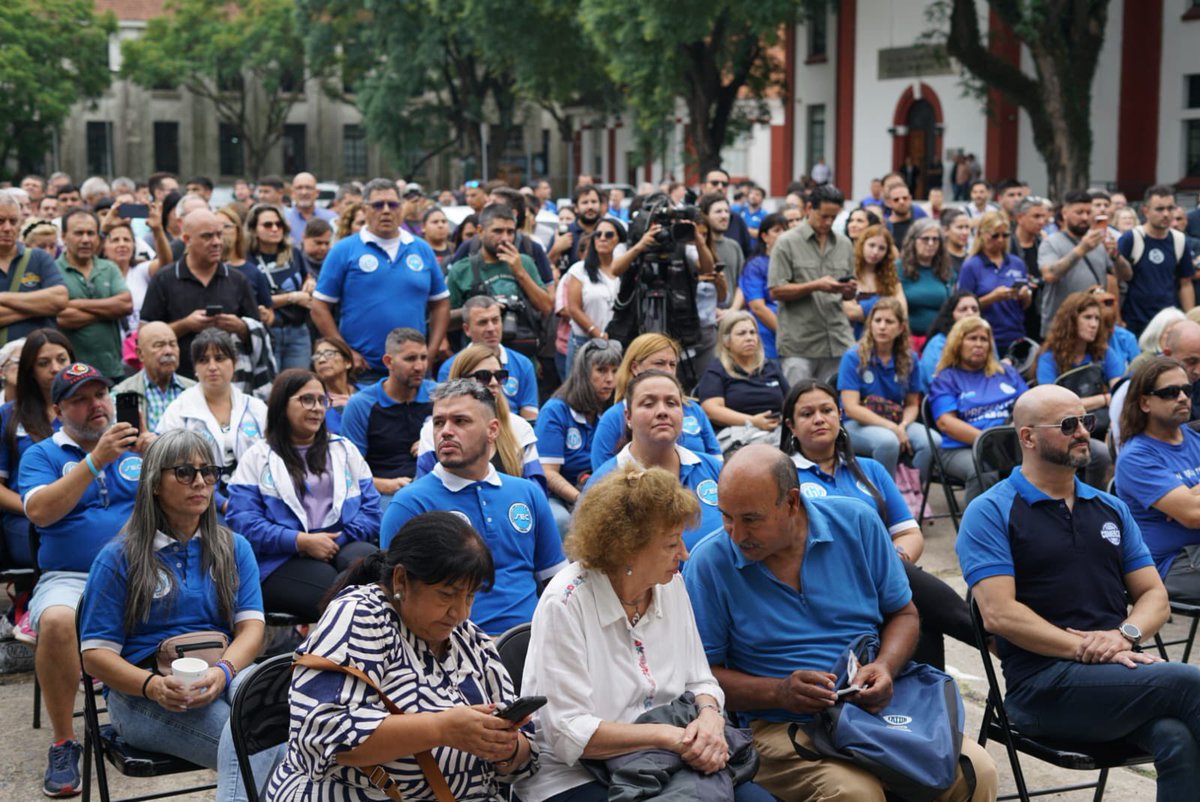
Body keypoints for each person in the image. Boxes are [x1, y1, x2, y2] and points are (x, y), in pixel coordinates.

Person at [684, 445, 997, 801]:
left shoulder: (856, 523)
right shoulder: (710, 563)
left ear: (791, 502)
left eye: (751, 519)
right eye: (726, 516)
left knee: (976, 771)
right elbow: (701, 675)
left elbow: (904, 613)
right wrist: (778, 692)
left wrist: (884, 668)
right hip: (777, 725)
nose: (736, 534)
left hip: (870, 712)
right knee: (854, 793)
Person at [959, 384, 1200, 802]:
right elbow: (999, 615)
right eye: (1067, 424)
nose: (1083, 432)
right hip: (1042, 686)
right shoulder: (991, 510)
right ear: (1028, 437)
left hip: (1116, 672)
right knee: (1186, 681)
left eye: (1085, 421)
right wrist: (1086, 647)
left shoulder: (1109, 508)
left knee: (1177, 736)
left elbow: (1154, 598)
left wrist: (1122, 636)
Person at [519, 466, 774, 802]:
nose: (684, 554)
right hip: (578, 774)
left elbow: (700, 680)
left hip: (671, 759)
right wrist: (669, 737)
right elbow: (569, 733)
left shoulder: (670, 585)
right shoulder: (566, 601)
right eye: (672, 543)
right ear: (627, 549)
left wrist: (710, 718)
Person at [265, 513, 537, 800]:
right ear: (401, 580)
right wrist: (441, 729)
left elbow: (527, 751)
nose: (460, 613)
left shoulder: (469, 638)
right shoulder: (361, 615)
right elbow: (323, 735)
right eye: (447, 595)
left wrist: (505, 748)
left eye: (469, 596)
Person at [79, 430, 277, 801]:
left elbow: (251, 628)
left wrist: (223, 673)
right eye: (185, 472)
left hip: (221, 673)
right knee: (260, 745)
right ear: (155, 483)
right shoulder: (120, 557)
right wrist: (151, 686)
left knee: (285, 727)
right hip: (143, 693)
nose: (200, 482)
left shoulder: (234, 547)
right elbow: (94, 656)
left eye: (209, 471)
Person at [781, 379, 975, 667]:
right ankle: (991, 639)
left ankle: (931, 705)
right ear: (791, 426)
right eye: (807, 414)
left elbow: (909, 532)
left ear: (840, 415)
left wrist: (892, 560)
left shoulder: (869, 469)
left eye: (827, 410)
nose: (819, 419)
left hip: (887, 580)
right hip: (829, 584)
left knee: (921, 621)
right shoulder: (783, 477)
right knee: (918, 600)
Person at [22, 362, 150, 797]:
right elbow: (39, 512)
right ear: (58, 410)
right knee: (57, 621)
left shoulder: (135, 447)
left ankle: (179, 721)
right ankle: (63, 741)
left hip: (143, 572)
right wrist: (96, 460)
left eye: (100, 395)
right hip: (71, 577)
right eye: (80, 399)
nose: (96, 405)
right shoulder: (43, 454)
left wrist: (162, 460)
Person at [381, 380, 566, 635]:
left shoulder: (527, 493)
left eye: (460, 421)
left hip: (532, 641)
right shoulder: (410, 503)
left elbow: (556, 582)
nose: (446, 431)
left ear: (492, 430)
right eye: (438, 422)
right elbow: (394, 597)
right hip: (451, 650)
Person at [227, 369, 381, 623]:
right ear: (281, 404)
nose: (317, 408)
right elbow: (242, 522)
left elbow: (372, 511)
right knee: (341, 598)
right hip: (280, 559)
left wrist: (336, 540)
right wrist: (299, 541)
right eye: (307, 399)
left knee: (376, 571)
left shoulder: (344, 449)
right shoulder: (257, 457)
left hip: (343, 542)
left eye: (322, 400)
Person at [313, 178, 449, 380]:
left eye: (392, 204)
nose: (386, 210)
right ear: (365, 209)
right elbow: (319, 307)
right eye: (377, 205)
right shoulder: (344, 250)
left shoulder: (422, 249)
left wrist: (430, 351)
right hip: (363, 372)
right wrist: (345, 352)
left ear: (401, 208)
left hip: (415, 371)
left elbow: (441, 304)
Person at [587, 370, 723, 549]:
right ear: (628, 416)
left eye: (672, 403)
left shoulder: (712, 468)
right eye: (648, 404)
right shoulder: (602, 483)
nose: (662, 412)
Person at [1115, 357, 1200, 607]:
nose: (1183, 397)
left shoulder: (1193, 437)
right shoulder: (1136, 457)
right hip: (1172, 564)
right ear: (1144, 402)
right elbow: (1194, 515)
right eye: (1170, 392)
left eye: (1187, 390)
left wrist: (1188, 495)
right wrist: (1188, 503)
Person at [155, 329, 268, 514]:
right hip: (199, 504)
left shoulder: (257, 409)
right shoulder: (179, 410)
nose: (212, 366)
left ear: (235, 362)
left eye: (220, 358)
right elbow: (169, 467)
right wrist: (221, 503)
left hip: (256, 500)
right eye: (203, 360)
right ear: (195, 368)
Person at [139, 209, 261, 379]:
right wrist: (186, 325)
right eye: (207, 236)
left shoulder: (237, 280)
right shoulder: (165, 279)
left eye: (219, 234)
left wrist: (240, 326)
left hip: (227, 382)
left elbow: (260, 333)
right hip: (177, 380)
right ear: (186, 240)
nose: (217, 242)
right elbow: (145, 334)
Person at [929, 316, 1029, 502]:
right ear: (958, 343)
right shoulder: (946, 378)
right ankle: (980, 529)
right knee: (984, 470)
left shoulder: (1005, 372)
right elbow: (946, 422)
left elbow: (1030, 404)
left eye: (984, 339)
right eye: (972, 338)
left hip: (1014, 444)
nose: (979, 344)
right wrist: (992, 443)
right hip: (961, 448)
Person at [417, 344, 544, 485]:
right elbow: (425, 489)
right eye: (484, 376)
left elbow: (535, 489)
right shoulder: (432, 430)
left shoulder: (520, 427)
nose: (494, 382)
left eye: (500, 376)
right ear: (461, 381)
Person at [768, 184, 857, 385]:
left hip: (837, 338)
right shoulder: (786, 242)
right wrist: (815, 285)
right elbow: (776, 290)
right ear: (809, 209)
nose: (828, 222)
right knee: (800, 404)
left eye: (834, 217)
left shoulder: (844, 244)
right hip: (800, 342)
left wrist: (849, 290)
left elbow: (849, 293)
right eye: (824, 216)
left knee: (834, 406)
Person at [839, 298, 937, 478]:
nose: (882, 326)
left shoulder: (910, 359)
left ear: (900, 328)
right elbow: (851, 408)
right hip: (856, 423)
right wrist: (893, 428)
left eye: (889, 321)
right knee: (888, 442)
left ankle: (911, 493)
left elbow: (911, 404)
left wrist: (903, 425)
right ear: (870, 325)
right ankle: (885, 499)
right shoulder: (853, 356)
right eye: (877, 321)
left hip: (896, 419)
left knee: (933, 441)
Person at [591, 333, 721, 465]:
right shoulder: (613, 417)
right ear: (635, 367)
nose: (668, 371)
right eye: (660, 363)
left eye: (672, 364)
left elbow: (716, 461)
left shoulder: (693, 409)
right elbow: (601, 478)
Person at [0, 330, 72, 571]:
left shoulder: (89, 411)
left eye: (62, 359)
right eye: (44, 363)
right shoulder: (8, 415)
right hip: (27, 518)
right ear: (30, 370)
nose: (55, 368)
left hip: (82, 510)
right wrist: (43, 507)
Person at [535, 338, 621, 536]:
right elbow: (548, 473)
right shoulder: (555, 411)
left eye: (614, 371)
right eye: (601, 370)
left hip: (602, 490)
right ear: (583, 373)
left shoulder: (613, 412)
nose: (610, 379)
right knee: (562, 521)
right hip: (561, 495)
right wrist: (582, 498)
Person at [341, 328, 435, 502]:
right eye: (410, 359)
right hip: (385, 493)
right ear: (388, 362)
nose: (419, 366)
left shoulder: (438, 397)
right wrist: (385, 485)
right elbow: (348, 472)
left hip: (433, 486)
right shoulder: (361, 405)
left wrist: (432, 440)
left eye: (424, 357)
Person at [54, 209, 132, 380]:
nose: (85, 240)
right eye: (78, 233)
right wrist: (109, 311)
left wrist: (76, 304)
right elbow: (63, 318)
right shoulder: (54, 271)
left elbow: (125, 305)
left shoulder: (109, 268)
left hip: (112, 370)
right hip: (72, 373)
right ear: (64, 236)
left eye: (91, 233)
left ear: (98, 237)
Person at [1038, 189, 1127, 334]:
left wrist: (1116, 255)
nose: (1085, 217)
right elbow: (1049, 275)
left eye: (1088, 212)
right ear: (1065, 213)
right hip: (1061, 329)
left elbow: (1126, 276)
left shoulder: (1100, 243)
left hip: (1094, 328)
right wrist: (1082, 249)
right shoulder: (1051, 242)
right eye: (1079, 213)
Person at [697, 312, 788, 454]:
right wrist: (752, 421)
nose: (749, 338)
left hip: (777, 430)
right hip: (738, 435)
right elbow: (711, 409)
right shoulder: (717, 369)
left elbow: (791, 401)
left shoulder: (770, 367)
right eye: (742, 333)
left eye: (753, 333)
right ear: (726, 341)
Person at [438, 296, 541, 420]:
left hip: (513, 433)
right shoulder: (450, 368)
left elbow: (530, 417)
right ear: (467, 329)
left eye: (495, 320)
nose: (491, 328)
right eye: (483, 322)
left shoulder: (523, 364)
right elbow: (448, 415)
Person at [1118, 185, 1196, 338]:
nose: (1166, 214)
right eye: (1159, 209)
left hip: (1169, 323)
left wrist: (1189, 320)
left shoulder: (1179, 240)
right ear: (1145, 211)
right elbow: (1114, 279)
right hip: (1135, 321)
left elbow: (1185, 283)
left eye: (1170, 208)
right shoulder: (1131, 238)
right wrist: (1117, 319)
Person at [244, 203, 313, 371]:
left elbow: (306, 278)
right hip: (268, 331)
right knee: (272, 392)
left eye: (279, 224)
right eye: (267, 225)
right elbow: (254, 301)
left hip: (298, 331)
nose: (275, 229)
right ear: (253, 230)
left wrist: (310, 282)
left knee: (299, 387)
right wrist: (293, 297)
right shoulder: (247, 259)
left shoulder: (293, 253)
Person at [562, 218, 634, 369]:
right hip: (584, 343)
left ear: (619, 240)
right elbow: (573, 308)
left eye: (608, 235)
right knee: (579, 392)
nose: (602, 238)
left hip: (618, 344)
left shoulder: (627, 271)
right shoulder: (579, 269)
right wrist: (599, 335)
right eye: (598, 234)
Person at [957, 211, 1032, 354]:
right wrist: (993, 298)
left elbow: (1025, 305)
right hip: (984, 336)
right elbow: (961, 307)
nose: (1000, 240)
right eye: (995, 236)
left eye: (1005, 235)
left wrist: (1025, 296)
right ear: (981, 235)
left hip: (1015, 334)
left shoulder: (1017, 263)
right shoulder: (972, 265)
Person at [0, 193, 69, 345]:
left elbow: (60, 299)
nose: (7, 228)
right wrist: (39, 307)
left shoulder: (39, 257)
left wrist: (3, 298)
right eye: (1, 221)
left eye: (13, 221)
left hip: (40, 360)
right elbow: (51, 304)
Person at [112, 321, 196, 434]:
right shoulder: (122, 394)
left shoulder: (195, 390)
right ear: (140, 354)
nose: (168, 351)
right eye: (159, 345)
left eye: (172, 344)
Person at [739, 212, 787, 360]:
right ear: (764, 236)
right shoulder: (756, 265)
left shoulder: (792, 262)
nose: (783, 234)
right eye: (777, 230)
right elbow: (757, 307)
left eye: (786, 230)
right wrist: (785, 334)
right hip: (768, 335)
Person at [899, 219, 956, 340]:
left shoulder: (947, 270)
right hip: (907, 338)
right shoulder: (898, 269)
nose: (931, 243)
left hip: (939, 338)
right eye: (925, 239)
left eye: (935, 239)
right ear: (913, 241)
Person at [844, 224, 904, 340]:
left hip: (881, 340)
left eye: (882, 248)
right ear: (862, 245)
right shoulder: (849, 273)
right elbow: (851, 312)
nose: (875, 252)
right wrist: (884, 305)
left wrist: (862, 311)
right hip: (850, 340)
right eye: (871, 245)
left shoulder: (890, 278)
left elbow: (901, 312)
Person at [310, 335, 359, 434]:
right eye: (317, 356)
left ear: (348, 362)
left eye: (329, 354)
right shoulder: (315, 404)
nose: (321, 360)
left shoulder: (369, 393)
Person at [284, 172, 337, 245]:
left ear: (317, 192)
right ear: (292, 193)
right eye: (299, 188)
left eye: (308, 188)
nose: (304, 192)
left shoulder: (331, 218)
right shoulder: (283, 217)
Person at [941, 208, 971, 274]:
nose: (965, 232)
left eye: (967, 227)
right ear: (946, 230)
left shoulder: (972, 259)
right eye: (960, 227)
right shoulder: (940, 260)